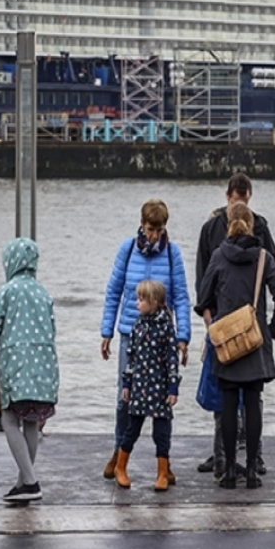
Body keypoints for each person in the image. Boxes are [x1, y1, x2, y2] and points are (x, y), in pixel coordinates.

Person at [195, 172, 275, 478]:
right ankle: (246, 464)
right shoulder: (259, 246)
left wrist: (210, 321)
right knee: (252, 400)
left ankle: (228, 464)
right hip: (252, 329)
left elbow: (202, 284)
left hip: (223, 327)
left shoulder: (219, 247)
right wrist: (270, 327)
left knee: (227, 399)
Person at [100, 198, 191, 484]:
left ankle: (165, 463)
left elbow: (181, 296)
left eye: (159, 229)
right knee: (124, 398)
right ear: (142, 225)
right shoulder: (127, 250)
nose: (154, 235)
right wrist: (107, 331)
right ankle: (119, 452)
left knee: (164, 401)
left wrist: (183, 337)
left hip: (163, 334)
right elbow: (114, 291)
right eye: (151, 229)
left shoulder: (172, 254)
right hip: (131, 332)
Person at [0, 237, 59, 503]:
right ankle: (23, 482)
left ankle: (30, 481)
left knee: (9, 418)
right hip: (44, 366)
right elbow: (52, 328)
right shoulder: (43, 292)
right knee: (31, 422)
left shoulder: (7, 291)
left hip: (16, 366)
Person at [115, 280, 180, 492]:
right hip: (139, 386)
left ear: (154, 302)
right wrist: (127, 383)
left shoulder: (166, 326)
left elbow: (172, 358)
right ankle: (120, 466)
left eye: (141, 300)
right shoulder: (138, 324)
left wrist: (173, 387)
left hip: (159, 387)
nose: (137, 303)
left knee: (161, 431)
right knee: (132, 427)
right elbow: (130, 356)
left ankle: (163, 471)